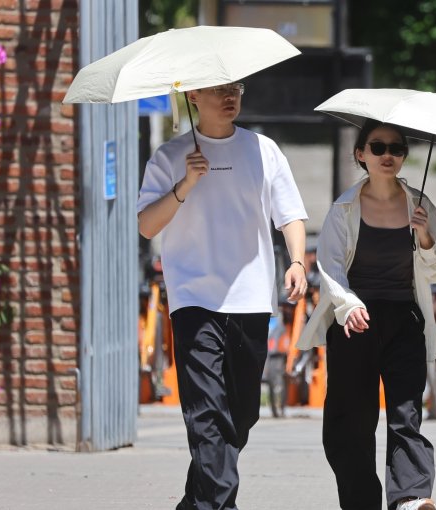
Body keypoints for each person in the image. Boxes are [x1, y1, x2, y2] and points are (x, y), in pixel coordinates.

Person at [137, 81, 308, 510]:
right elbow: (147, 225)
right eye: (217, 90)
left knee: (241, 415)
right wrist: (185, 184)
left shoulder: (263, 150)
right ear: (192, 96)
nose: (229, 96)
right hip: (194, 300)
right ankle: (220, 505)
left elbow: (290, 214)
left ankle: (196, 503)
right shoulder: (170, 156)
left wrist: (297, 261)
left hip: (251, 300)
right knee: (207, 413)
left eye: (235, 88)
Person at [298, 120, 436, 510]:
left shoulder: (420, 205)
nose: (387, 155)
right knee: (351, 421)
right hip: (355, 322)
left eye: (396, 148)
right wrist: (349, 306)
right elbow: (330, 267)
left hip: (405, 320)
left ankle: (411, 497)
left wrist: (425, 237)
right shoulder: (344, 207)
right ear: (360, 154)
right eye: (378, 147)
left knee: (406, 414)